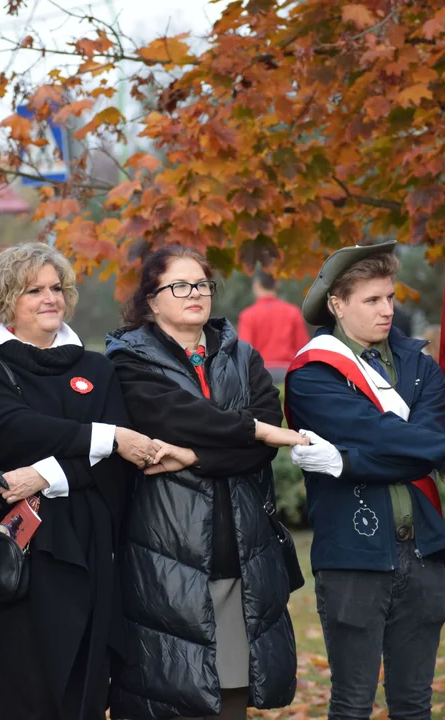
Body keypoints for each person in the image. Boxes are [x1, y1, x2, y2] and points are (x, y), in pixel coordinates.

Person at [284, 242, 445, 720]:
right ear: (337, 305)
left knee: (414, 704)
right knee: (352, 704)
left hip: (423, 550)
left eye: (389, 297)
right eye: (372, 300)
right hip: (352, 553)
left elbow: (418, 449)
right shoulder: (312, 374)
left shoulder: (420, 365)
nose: (387, 310)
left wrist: (345, 461)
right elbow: (388, 436)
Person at [105, 245, 303, 720]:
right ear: (152, 300)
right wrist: (253, 430)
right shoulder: (127, 361)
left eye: (201, 284)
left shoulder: (242, 355)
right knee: (168, 691)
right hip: (163, 552)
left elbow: (262, 437)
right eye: (179, 285)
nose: (194, 293)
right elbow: (175, 415)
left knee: (233, 686)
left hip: (239, 551)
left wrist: (195, 455)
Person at [0, 243, 153, 720]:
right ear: (6, 300)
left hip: (89, 546)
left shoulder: (97, 368)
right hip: (18, 553)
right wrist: (107, 437)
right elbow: (15, 429)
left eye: (56, 288)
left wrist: (47, 472)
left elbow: (119, 464)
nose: (50, 298)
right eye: (34, 291)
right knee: (28, 694)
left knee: (87, 692)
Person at [236, 269, 309, 380]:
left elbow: (244, 353)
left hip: (260, 374)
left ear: (256, 285)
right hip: (287, 372)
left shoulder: (248, 315)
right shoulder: (293, 312)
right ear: (277, 284)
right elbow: (302, 348)